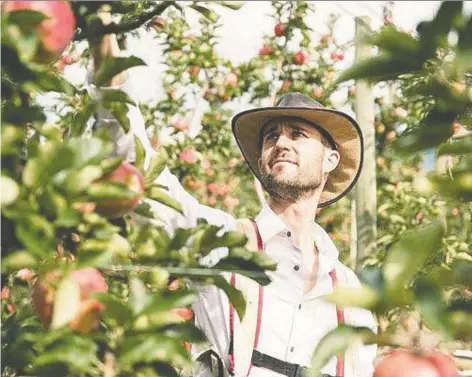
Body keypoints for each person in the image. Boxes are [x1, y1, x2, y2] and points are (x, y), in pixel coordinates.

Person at [89, 25, 377, 377]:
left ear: (331, 160)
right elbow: (138, 172)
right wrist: (106, 55)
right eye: (272, 136)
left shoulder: (348, 290)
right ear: (261, 161)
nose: (281, 143)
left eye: (297, 134)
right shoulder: (221, 242)